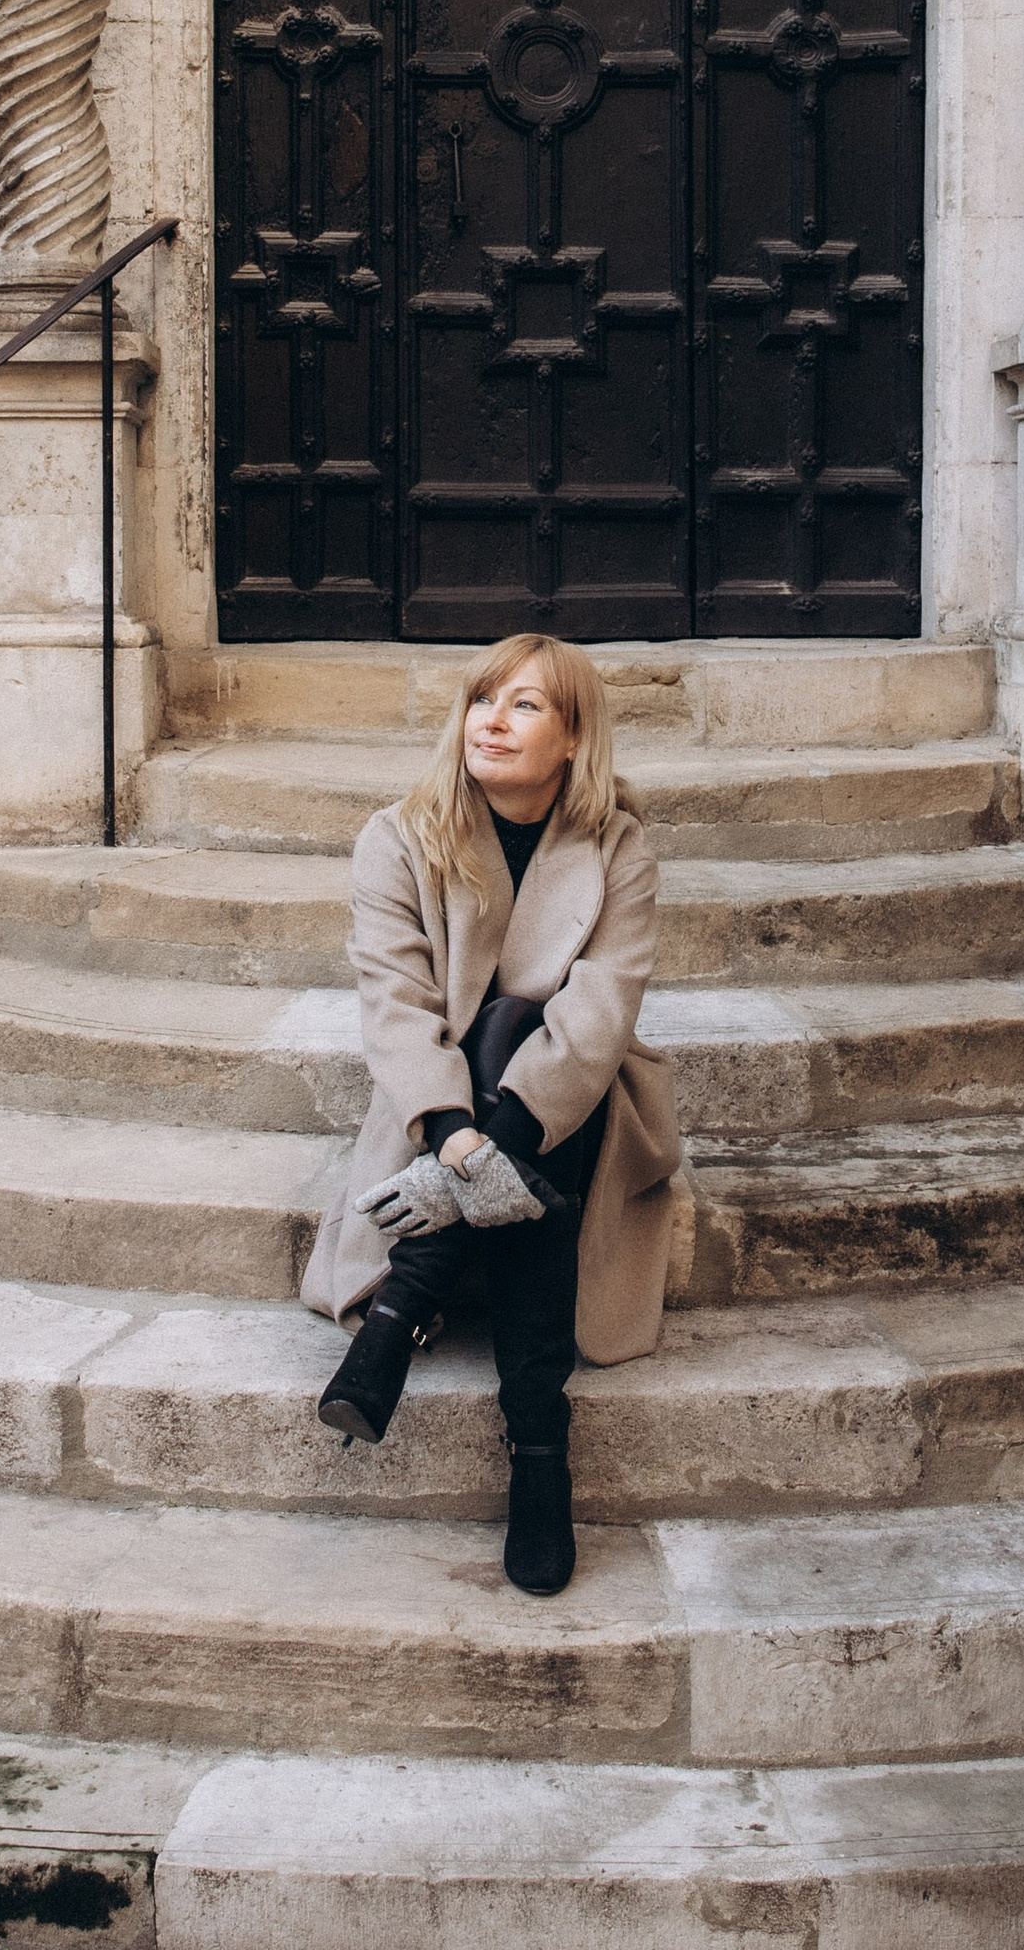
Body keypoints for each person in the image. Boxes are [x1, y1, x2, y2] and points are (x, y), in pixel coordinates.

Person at [300, 631, 683, 1595]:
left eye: (525, 705)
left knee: (529, 1027)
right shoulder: (400, 837)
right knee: (496, 1030)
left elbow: (599, 1016)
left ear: (573, 737)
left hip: (572, 1106)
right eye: (482, 700)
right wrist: (454, 1136)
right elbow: (395, 1007)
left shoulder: (619, 847)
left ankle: (403, 1310)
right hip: (437, 1103)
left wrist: (481, 1154)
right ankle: (539, 1445)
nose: (493, 722)